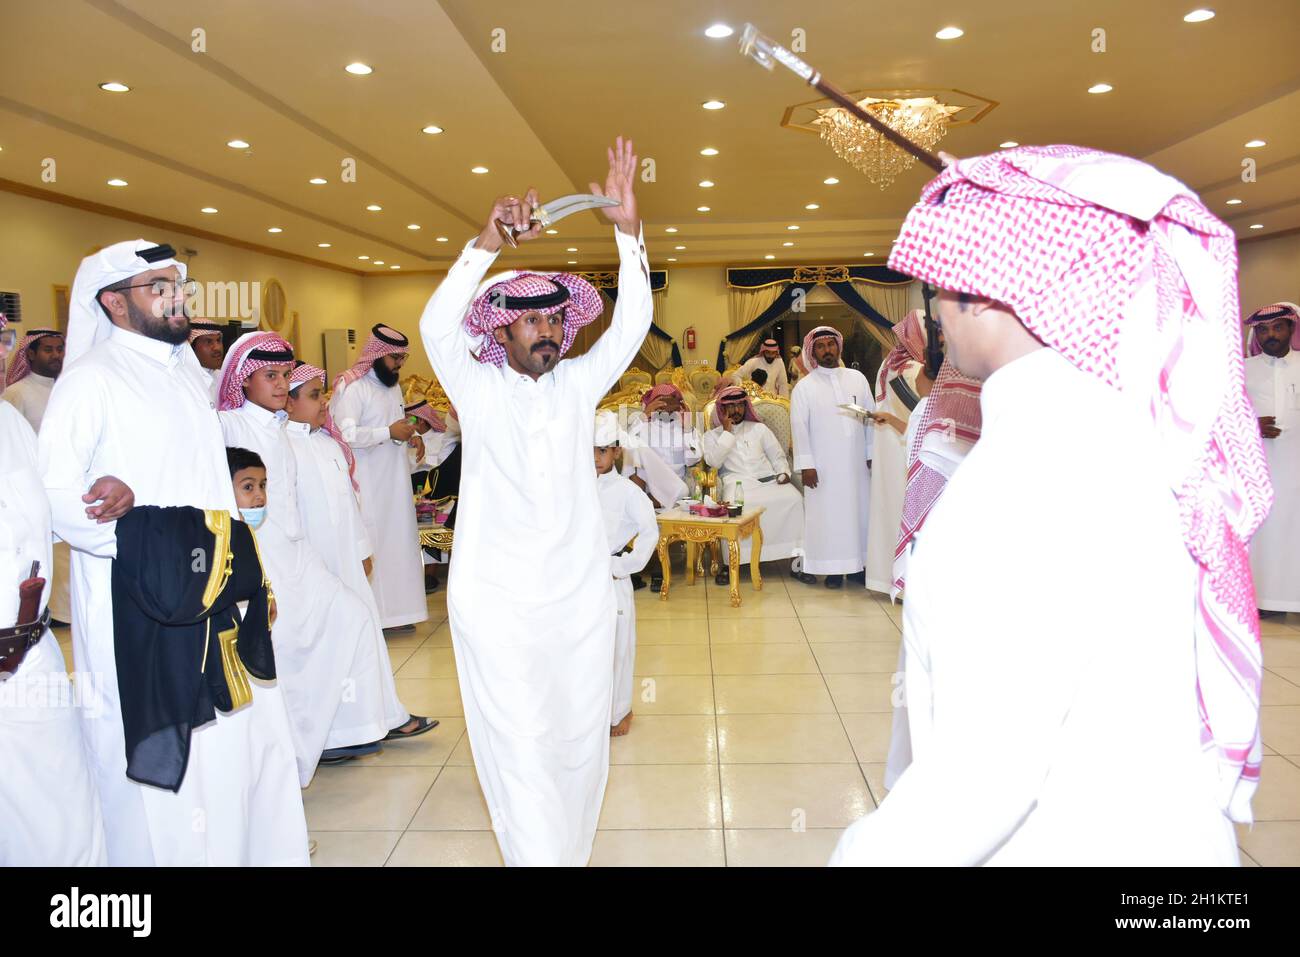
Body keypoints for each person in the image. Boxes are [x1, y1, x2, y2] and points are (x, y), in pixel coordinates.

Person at [831, 146, 1267, 866]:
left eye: (938, 294)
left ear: (979, 294)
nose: (936, 315)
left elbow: (983, 780)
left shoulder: (1027, 470)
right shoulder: (1126, 426)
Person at [419, 137, 649, 866]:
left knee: (579, 744)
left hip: (578, 600)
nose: (548, 330)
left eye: (555, 319)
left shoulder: (580, 385)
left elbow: (634, 323)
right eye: (531, 320)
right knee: (517, 745)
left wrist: (627, 229)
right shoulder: (477, 388)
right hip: (496, 601)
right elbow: (433, 329)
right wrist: (488, 242)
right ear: (501, 329)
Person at [40, 239, 307, 865]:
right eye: (158, 287)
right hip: (141, 603)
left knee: (229, 742)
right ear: (114, 303)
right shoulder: (90, 381)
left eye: (178, 285)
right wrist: (139, 544)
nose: (177, 297)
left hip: (208, 593)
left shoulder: (185, 373)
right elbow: (53, 493)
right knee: (160, 759)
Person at [217, 331, 394, 779]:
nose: (280, 384)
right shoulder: (227, 426)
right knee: (284, 649)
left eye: (283, 375)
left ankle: (333, 732)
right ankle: (284, 753)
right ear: (243, 380)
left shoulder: (280, 429)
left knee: (350, 617)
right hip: (259, 556)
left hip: (297, 553)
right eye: (269, 376)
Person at [0, 313, 105, 866]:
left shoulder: (9, 421)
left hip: (29, 650)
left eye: (1, 340)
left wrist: (103, 496)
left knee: (62, 790)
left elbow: (44, 509)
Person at [284, 362, 436, 742]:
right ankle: (341, 732)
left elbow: (347, 501)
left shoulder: (322, 442)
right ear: (289, 403)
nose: (326, 403)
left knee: (363, 637)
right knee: (335, 645)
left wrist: (362, 548)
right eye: (316, 396)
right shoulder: (283, 447)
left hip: (347, 562)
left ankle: (379, 718)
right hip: (316, 568)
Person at [330, 325, 429, 631]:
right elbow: (344, 434)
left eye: (402, 358)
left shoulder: (392, 387)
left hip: (395, 483)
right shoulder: (353, 388)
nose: (399, 364)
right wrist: (388, 432)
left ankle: (401, 614)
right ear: (377, 355)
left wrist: (408, 436)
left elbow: (395, 426)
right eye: (395, 358)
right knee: (374, 545)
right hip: (369, 484)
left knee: (399, 544)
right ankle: (375, 618)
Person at [790, 325, 874, 589]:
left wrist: (871, 453)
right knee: (829, 518)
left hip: (856, 463)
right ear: (813, 351)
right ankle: (833, 570)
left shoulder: (857, 378)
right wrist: (807, 465)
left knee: (859, 513)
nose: (827, 350)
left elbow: (869, 417)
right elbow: (799, 428)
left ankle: (859, 567)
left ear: (839, 346)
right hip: (823, 466)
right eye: (821, 346)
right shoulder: (804, 387)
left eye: (831, 344)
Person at [701, 384, 805, 585]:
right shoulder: (711, 436)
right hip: (737, 483)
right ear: (722, 410)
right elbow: (713, 462)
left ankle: (797, 562)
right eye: (730, 407)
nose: (736, 411)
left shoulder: (759, 429)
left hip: (768, 480)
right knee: (734, 506)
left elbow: (777, 455)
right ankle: (732, 563)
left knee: (793, 499)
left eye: (740, 405)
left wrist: (783, 472)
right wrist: (727, 433)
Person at [594, 410, 658, 737]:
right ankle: (588, 712)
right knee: (587, 648)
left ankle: (620, 710)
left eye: (603, 450)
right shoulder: (573, 487)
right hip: (579, 579)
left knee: (617, 646)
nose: (595, 458)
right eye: (590, 450)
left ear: (617, 451)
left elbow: (650, 533)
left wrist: (623, 566)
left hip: (613, 577)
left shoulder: (629, 492)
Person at [3, 326, 72, 627]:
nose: (56, 355)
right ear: (30, 353)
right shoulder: (17, 394)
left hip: (55, 490)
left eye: (59, 348)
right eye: (48, 349)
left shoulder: (67, 387)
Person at [865, 310, 932, 594]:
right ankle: (897, 581)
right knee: (896, 508)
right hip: (898, 445)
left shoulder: (903, 366)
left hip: (900, 443)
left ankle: (900, 582)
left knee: (901, 509)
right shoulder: (904, 367)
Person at [1243, 302, 1300, 614]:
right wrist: (1251, 425)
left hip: (1296, 470)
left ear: (1292, 328)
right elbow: (1219, 417)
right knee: (1263, 536)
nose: (1271, 334)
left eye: (1278, 327)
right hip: (1257, 472)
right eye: (1263, 329)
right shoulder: (1242, 369)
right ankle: (1263, 601)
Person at [622, 383, 700, 591]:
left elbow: (693, 460)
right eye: (661, 403)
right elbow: (624, 446)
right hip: (645, 486)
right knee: (633, 449)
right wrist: (644, 415)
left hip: (673, 487)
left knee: (678, 491)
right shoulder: (642, 424)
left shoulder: (684, 427)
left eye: (670, 403)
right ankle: (648, 566)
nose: (665, 409)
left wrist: (688, 428)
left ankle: (657, 566)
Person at [188, 320, 225, 403]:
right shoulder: (186, 381)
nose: (217, 348)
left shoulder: (223, 378)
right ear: (191, 347)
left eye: (218, 340)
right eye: (208, 342)